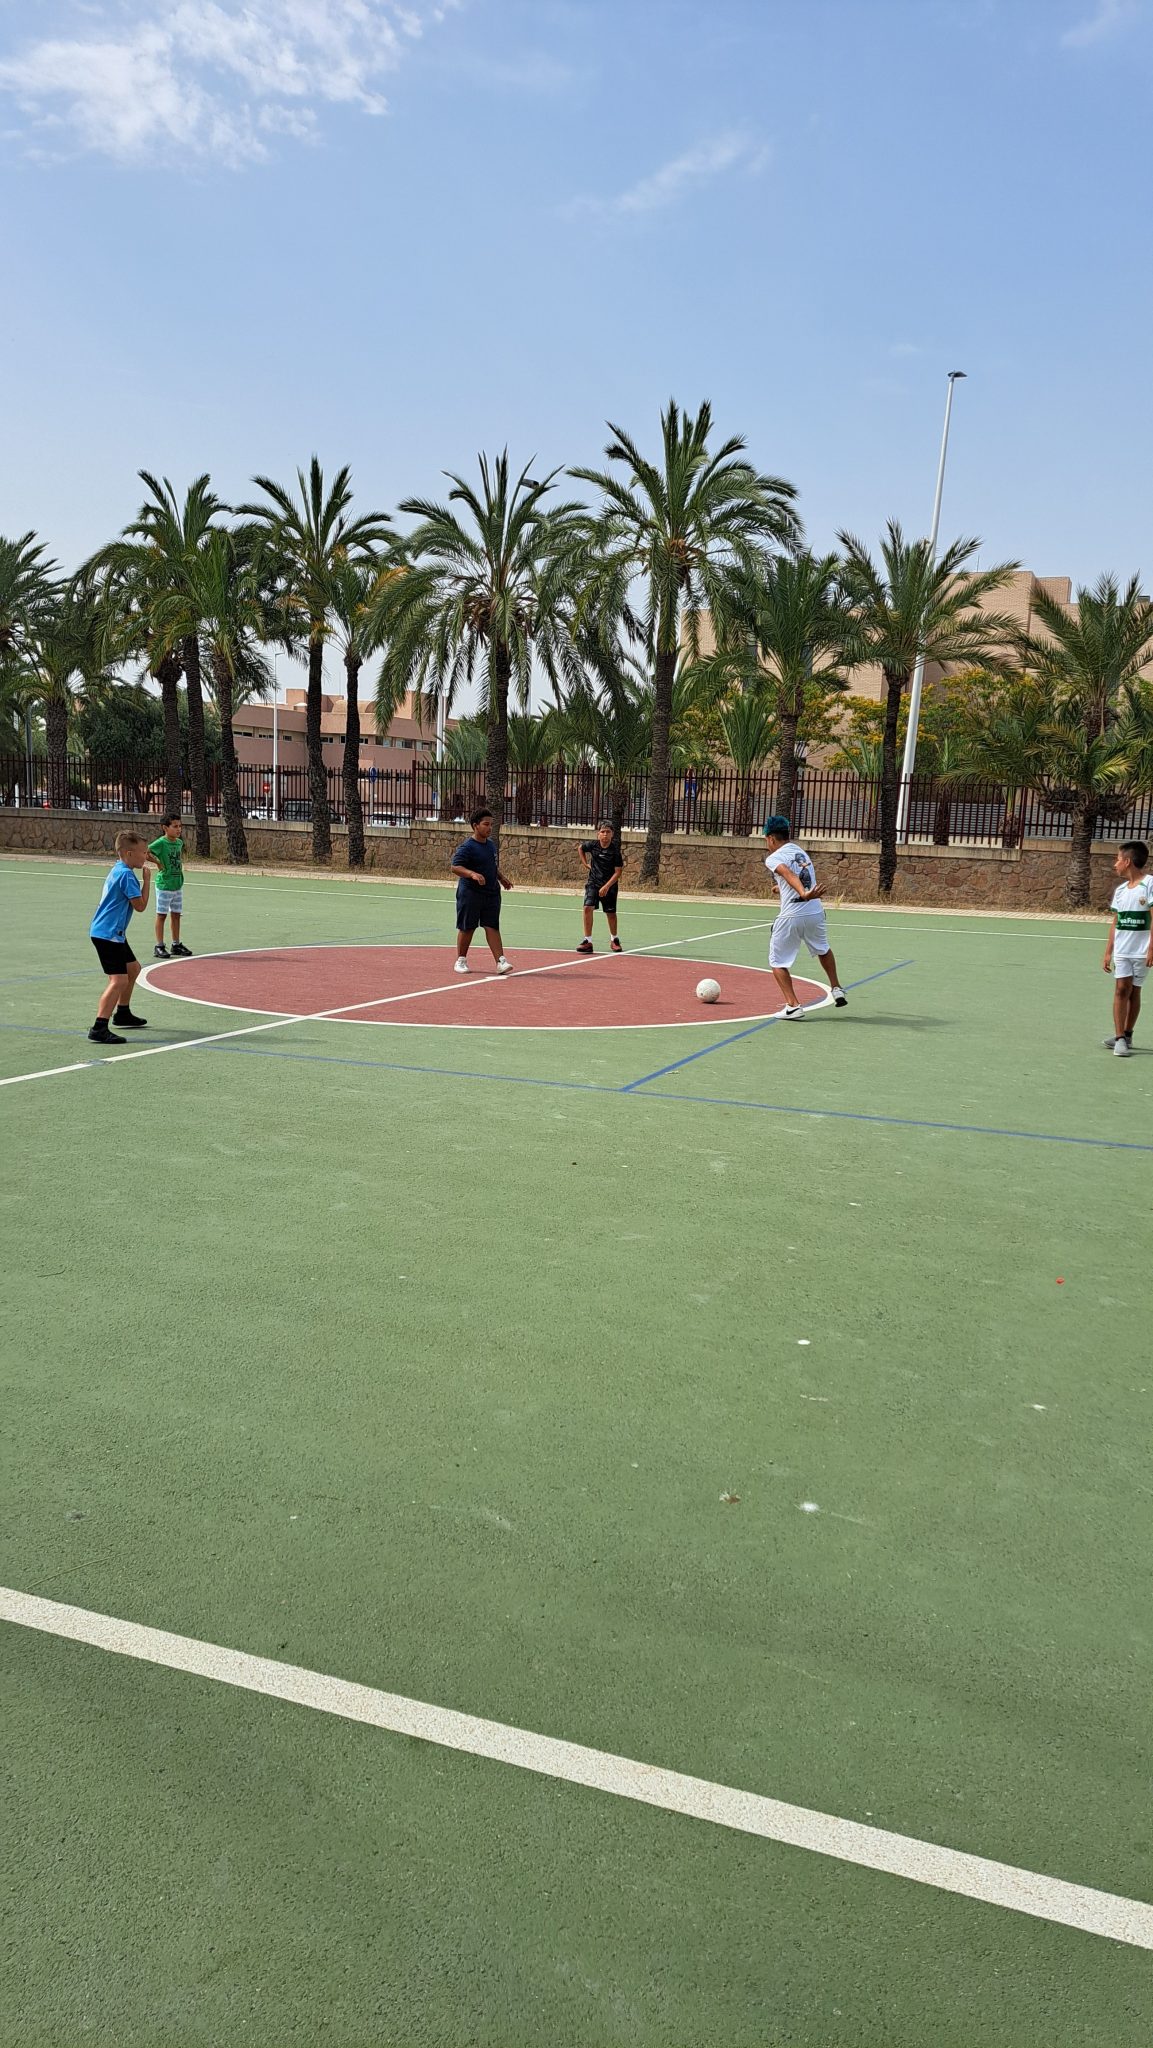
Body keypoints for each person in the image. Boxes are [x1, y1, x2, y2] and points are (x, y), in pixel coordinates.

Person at [762, 814, 847, 1018]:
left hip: (792, 914)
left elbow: (787, 873)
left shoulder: (773, 858)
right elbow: (799, 877)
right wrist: (782, 888)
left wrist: (802, 893)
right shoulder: (800, 852)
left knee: (777, 962)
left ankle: (793, 1006)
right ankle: (836, 988)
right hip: (814, 912)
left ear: (771, 838)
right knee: (823, 949)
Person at [88, 830, 154, 1044]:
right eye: (143, 853)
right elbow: (140, 906)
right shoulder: (127, 875)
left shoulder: (119, 869)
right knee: (118, 980)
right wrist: (147, 881)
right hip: (108, 935)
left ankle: (123, 1013)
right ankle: (99, 1027)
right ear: (129, 853)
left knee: (133, 969)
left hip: (111, 933)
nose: (146, 856)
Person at [1103, 839, 1153, 1056]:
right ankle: (1119, 1038)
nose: (1115, 864)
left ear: (1128, 861)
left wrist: (1151, 948)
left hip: (1142, 950)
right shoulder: (1121, 890)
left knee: (1135, 990)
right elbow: (1116, 922)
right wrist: (1108, 952)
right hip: (1123, 950)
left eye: (1117, 859)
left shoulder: (1149, 884)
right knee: (1121, 989)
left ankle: (1128, 1033)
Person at [450, 807, 513, 973]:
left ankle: (500, 962)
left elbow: (492, 866)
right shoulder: (467, 847)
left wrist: (501, 878)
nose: (489, 827)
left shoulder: (491, 845)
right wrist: (472, 874)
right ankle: (461, 961)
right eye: (486, 824)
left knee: (492, 926)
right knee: (467, 927)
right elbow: (455, 867)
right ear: (475, 826)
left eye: (491, 824)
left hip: (491, 893)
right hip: (470, 893)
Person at [577, 822, 624, 954]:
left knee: (611, 913)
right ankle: (587, 941)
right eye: (602, 832)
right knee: (587, 907)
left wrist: (606, 886)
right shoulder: (593, 845)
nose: (605, 834)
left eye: (608, 832)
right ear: (598, 834)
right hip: (593, 883)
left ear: (612, 834)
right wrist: (585, 863)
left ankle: (614, 940)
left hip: (609, 885)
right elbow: (580, 848)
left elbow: (618, 872)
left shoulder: (615, 851)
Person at [150, 813, 191, 958]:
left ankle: (176, 944)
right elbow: (146, 851)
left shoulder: (179, 843)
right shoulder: (161, 843)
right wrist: (158, 863)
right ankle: (159, 945)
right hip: (165, 884)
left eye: (180, 826)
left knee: (176, 915)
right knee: (162, 915)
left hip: (177, 883)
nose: (178, 829)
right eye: (175, 826)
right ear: (165, 828)